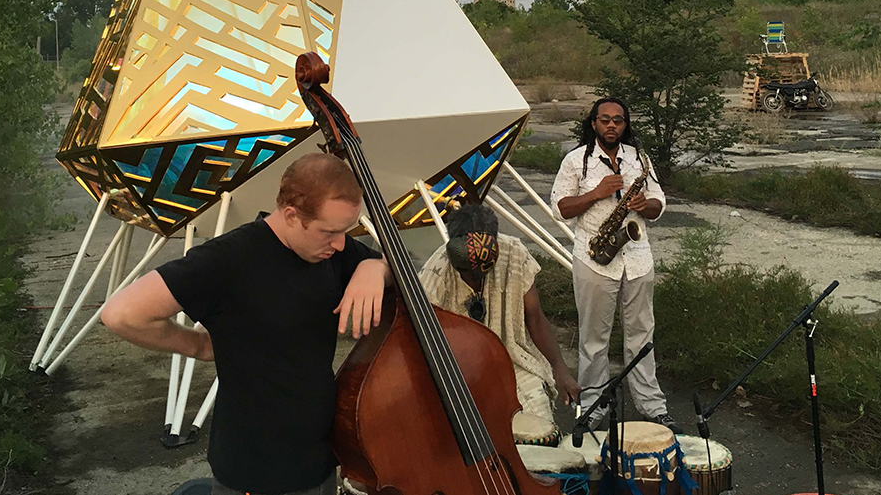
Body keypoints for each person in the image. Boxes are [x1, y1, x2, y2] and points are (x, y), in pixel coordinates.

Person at [101, 153, 392, 495]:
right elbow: (121, 313)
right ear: (291, 215)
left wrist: (375, 268)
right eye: (329, 232)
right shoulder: (229, 259)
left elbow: (398, 267)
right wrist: (197, 346)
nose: (341, 243)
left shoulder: (330, 252)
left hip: (318, 459)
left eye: (346, 231)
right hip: (255, 471)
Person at [550, 97, 681, 434]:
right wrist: (596, 192)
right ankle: (592, 407)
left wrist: (646, 204)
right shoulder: (575, 161)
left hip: (637, 258)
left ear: (625, 124)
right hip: (594, 258)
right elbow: (561, 208)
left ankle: (652, 405)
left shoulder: (639, 159)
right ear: (594, 123)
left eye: (618, 120)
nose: (611, 126)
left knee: (642, 334)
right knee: (594, 339)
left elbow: (659, 203)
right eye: (604, 120)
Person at [418, 203, 581, 443]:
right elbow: (422, 339)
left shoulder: (514, 253)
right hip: (458, 371)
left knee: (540, 423)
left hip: (512, 359)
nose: (476, 277)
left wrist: (560, 369)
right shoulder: (436, 273)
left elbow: (534, 316)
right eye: (468, 272)